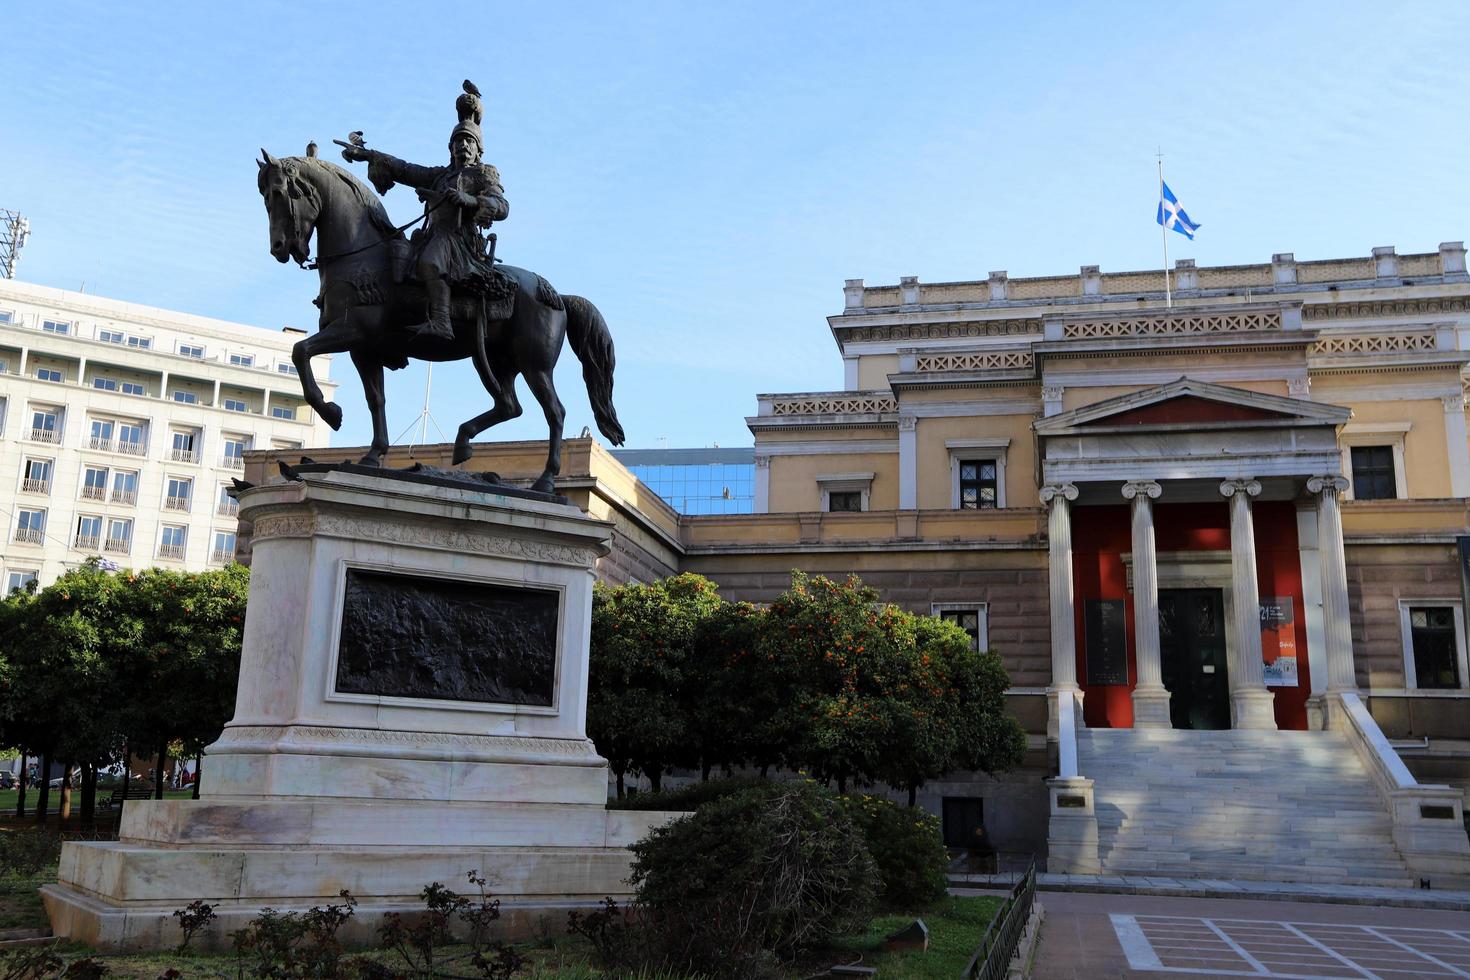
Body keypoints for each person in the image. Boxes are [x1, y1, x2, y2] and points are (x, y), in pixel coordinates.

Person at [340, 80, 508, 342]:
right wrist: (369, 155)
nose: (462, 145)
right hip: (431, 235)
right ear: (450, 147)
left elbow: (501, 206)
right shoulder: (439, 175)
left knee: (431, 260)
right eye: (458, 141)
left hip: (459, 240)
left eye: (469, 141)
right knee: (393, 254)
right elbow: (405, 169)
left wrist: (470, 201)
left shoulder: (484, 174)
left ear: (478, 149)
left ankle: (442, 322)